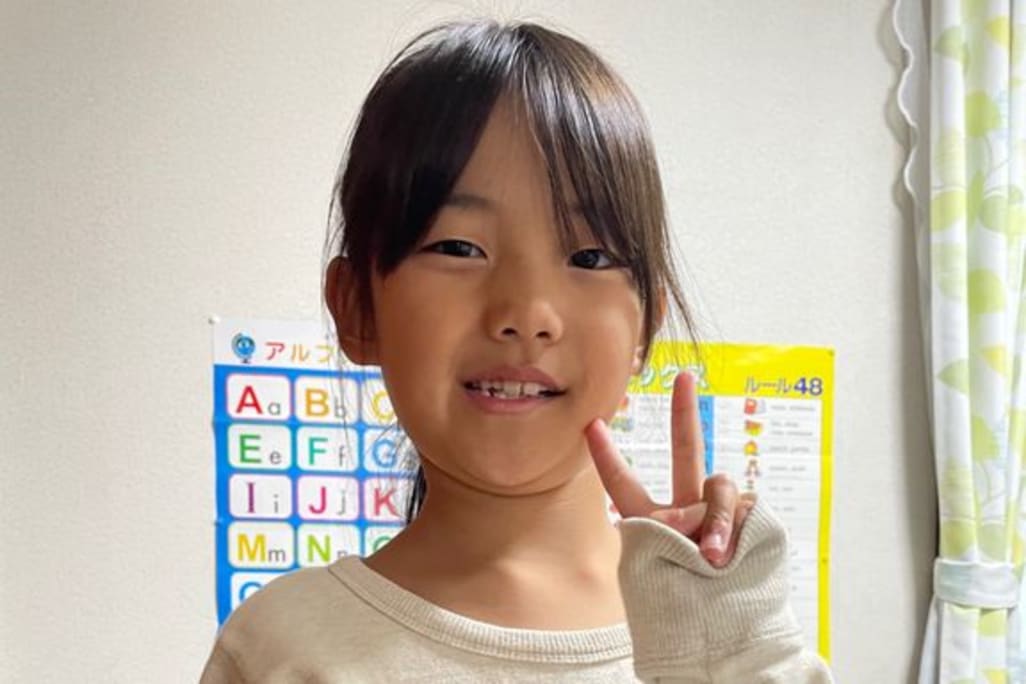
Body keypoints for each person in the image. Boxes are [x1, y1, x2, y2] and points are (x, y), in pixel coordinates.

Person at [200, 19, 834, 683]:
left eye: (589, 256)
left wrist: (725, 655)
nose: (528, 314)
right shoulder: (283, 647)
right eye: (458, 247)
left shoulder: (725, 638)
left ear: (645, 326)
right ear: (358, 306)